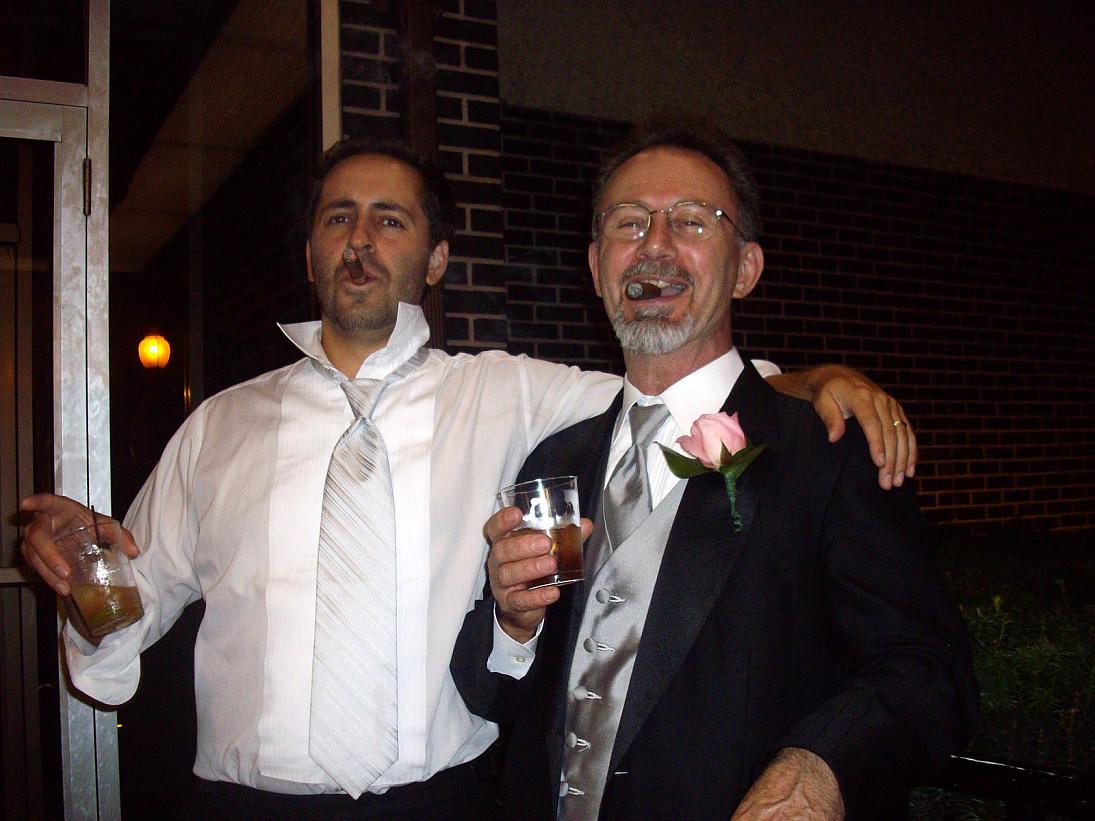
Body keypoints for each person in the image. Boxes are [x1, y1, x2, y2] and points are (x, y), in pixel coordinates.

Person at [23, 135, 918, 819]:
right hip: (243, 805)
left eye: (390, 220)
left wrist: (817, 379)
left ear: (436, 259)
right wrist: (81, 571)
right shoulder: (215, 425)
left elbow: (676, 384)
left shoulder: (508, 393)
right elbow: (130, 605)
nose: (359, 239)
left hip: (442, 803)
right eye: (337, 218)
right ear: (310, 254)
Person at [451, 119, 978, 820]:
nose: (654, 244)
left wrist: (816, 767)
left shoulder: (825, 450)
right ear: (596, 265)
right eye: (628, 222)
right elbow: (501, 697)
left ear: (746, 269)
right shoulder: (557, 459)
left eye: (692, 221)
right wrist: (514, 627)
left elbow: (925, 668)